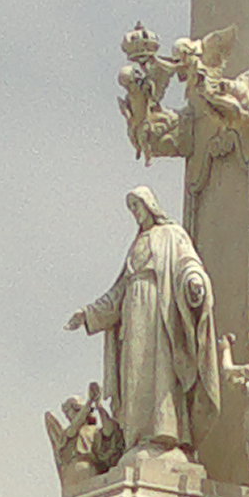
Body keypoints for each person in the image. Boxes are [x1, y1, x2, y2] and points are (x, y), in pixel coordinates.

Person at [67, 187, 218, 456]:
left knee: (161, 370)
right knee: (135, 373)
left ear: (150, 205)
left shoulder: (171, 234)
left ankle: (164, 434)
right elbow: (119, 290)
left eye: (137, 206)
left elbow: (187, 262)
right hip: (133, 313)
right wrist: (88, 313)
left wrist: (194, 281)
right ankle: (137, 437)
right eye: (131, 208)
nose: (135, 212)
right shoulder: (136, 244)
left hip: (160, 310)